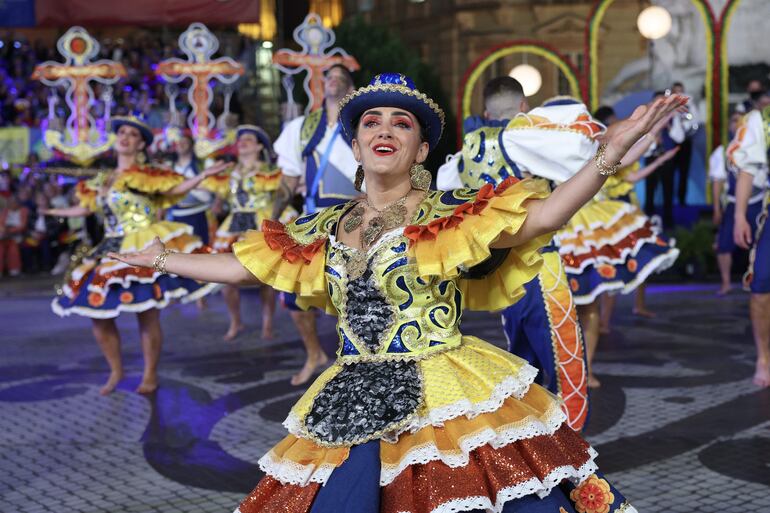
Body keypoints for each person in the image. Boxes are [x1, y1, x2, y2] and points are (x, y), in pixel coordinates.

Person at [109, 72, 684, 513]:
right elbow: (243, 269)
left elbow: (541, 218)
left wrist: (608, 154)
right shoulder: (326, 225)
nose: (385, 129)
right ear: (356, 149)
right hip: (349, 390)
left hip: (444, 389)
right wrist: (161, 258)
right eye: (372, 122)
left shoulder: (449, 215)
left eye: (402, 123)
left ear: (421, 150)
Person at [437, 78, 589, 429]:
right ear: (523, 108)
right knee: (562, 359)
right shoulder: (523, 138)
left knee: (522, 361)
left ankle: (536, 441)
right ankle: (573, 445)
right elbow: (580, 149)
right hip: (539, 262)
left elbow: (446, 195)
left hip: (497, 271)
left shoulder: (465, 152)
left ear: (487, 112)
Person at [46, 115, 225, 395]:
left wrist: (200, 177)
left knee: (146, 312)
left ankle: (150, 373)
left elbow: (173, 189)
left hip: (142, 243)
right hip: (110, 246)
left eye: (132, 134)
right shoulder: (103, 178)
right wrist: (55, 212)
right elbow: (87, 208)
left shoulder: (148, 174)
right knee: (98, 313)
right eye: (122, 132)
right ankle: (116, 371)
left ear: (141, 144)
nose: (125, 137)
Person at [271, 63, 359, 385]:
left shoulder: (364, 123)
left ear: (351, 87)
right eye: (329, 76)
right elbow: (288, 179)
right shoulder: (302, 127)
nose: (334, 79)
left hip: (356, 219)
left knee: (353, 293)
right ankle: (314, 354)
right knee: (293, 292)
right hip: (312, 220)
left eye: (342, 76)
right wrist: (270, 217)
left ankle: (356, 359)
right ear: (322, 85)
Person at [592, 105, 680, 332]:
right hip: (593, 221)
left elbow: (631, 164)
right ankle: (595, 323)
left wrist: (656, 125)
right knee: (595, 276)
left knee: (615, 270)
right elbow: (631, 159)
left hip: (617, 215)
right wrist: (654, 125)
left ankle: (604, 321)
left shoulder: (607, 157)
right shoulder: (592, 155)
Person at [204, 125, 281, 341]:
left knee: (264, 277)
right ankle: (235, 321)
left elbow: (283, 192)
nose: (243, 142)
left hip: (260, 222)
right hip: (233, 224)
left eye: (248, 139)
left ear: (258, 146)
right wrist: (218, 204)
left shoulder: (269, 171)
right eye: (240, 139)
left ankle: (267, 323)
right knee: (226, 277)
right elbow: (221, 193)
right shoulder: (229, 172)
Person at [732, 97, 770, 388]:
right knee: (761, 289)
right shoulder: (762, 120)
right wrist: (740, 216)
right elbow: (748, 170)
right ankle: (763, 357)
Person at [711, 112, 764, 295]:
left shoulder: (763, 138)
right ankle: (726, 282)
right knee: (724, 244)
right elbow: (717, 180)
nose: (738, 123)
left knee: (762, 243)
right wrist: (717, 208)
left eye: (741, 119)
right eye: (734, 120)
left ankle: (759, 281)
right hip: (735, 203)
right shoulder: (722, 150)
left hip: (760, 201)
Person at [670, 82, 699, 205]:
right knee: (669, 173)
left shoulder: (690, 106)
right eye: (676, 91)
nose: (679, 94)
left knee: (684, 172)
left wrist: (685, 121)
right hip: (670, 144)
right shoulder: (668, 107)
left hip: (686, 143)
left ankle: (682, 201)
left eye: (681, 91)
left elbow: (695, 121)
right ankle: (669, 202)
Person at [0, 193, 28, 276]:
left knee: (13, 245)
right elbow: (1, 224)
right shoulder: (5, 211)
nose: (12, 204)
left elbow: (23, 225)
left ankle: (14, 269)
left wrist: (10, 230)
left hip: (18, 234)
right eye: (10, 202)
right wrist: (4, 231)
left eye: (14, 202)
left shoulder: (24, 210)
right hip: (5, 234)